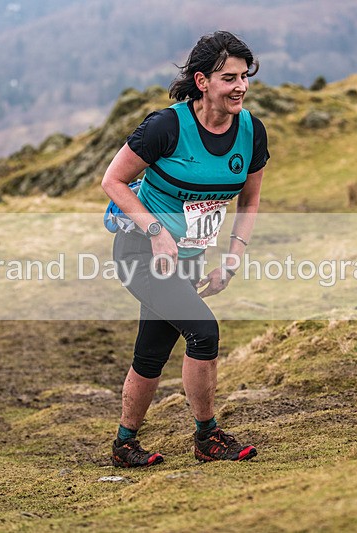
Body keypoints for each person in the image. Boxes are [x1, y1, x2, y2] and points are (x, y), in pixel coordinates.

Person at [101, 30, 269, 467]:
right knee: (204, 331)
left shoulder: (251, 131)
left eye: (244, 76)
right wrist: (156, 229)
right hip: (142, 252)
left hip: (189, 258)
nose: (240, 86)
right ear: (201, 81)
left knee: (151, 353)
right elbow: (113, 181)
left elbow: (249, 200)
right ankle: (207, 437)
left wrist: (232, 259)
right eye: (228, 77)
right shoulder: (166, 126)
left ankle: (124, 444)